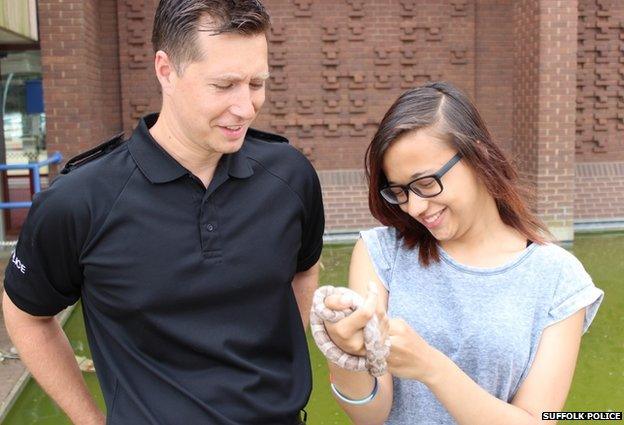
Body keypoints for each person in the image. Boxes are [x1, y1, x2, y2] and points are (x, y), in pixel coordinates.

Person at [2, 1, 323, 424]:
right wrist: (90, 420)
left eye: (256, 83)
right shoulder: (79, 201)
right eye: (225, 85)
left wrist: (275, 370)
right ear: (165, 70)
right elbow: (26, 315)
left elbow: (305, 270)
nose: (246, 106)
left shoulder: (291, 177)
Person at [320, 81, 603, 424]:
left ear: (479, 154)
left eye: (426, 184)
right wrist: (344, 352)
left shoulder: (558, 278)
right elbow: (370, 416)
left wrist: (432, 368)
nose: (415, 207)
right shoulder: (381, 253)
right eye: (400, 192)